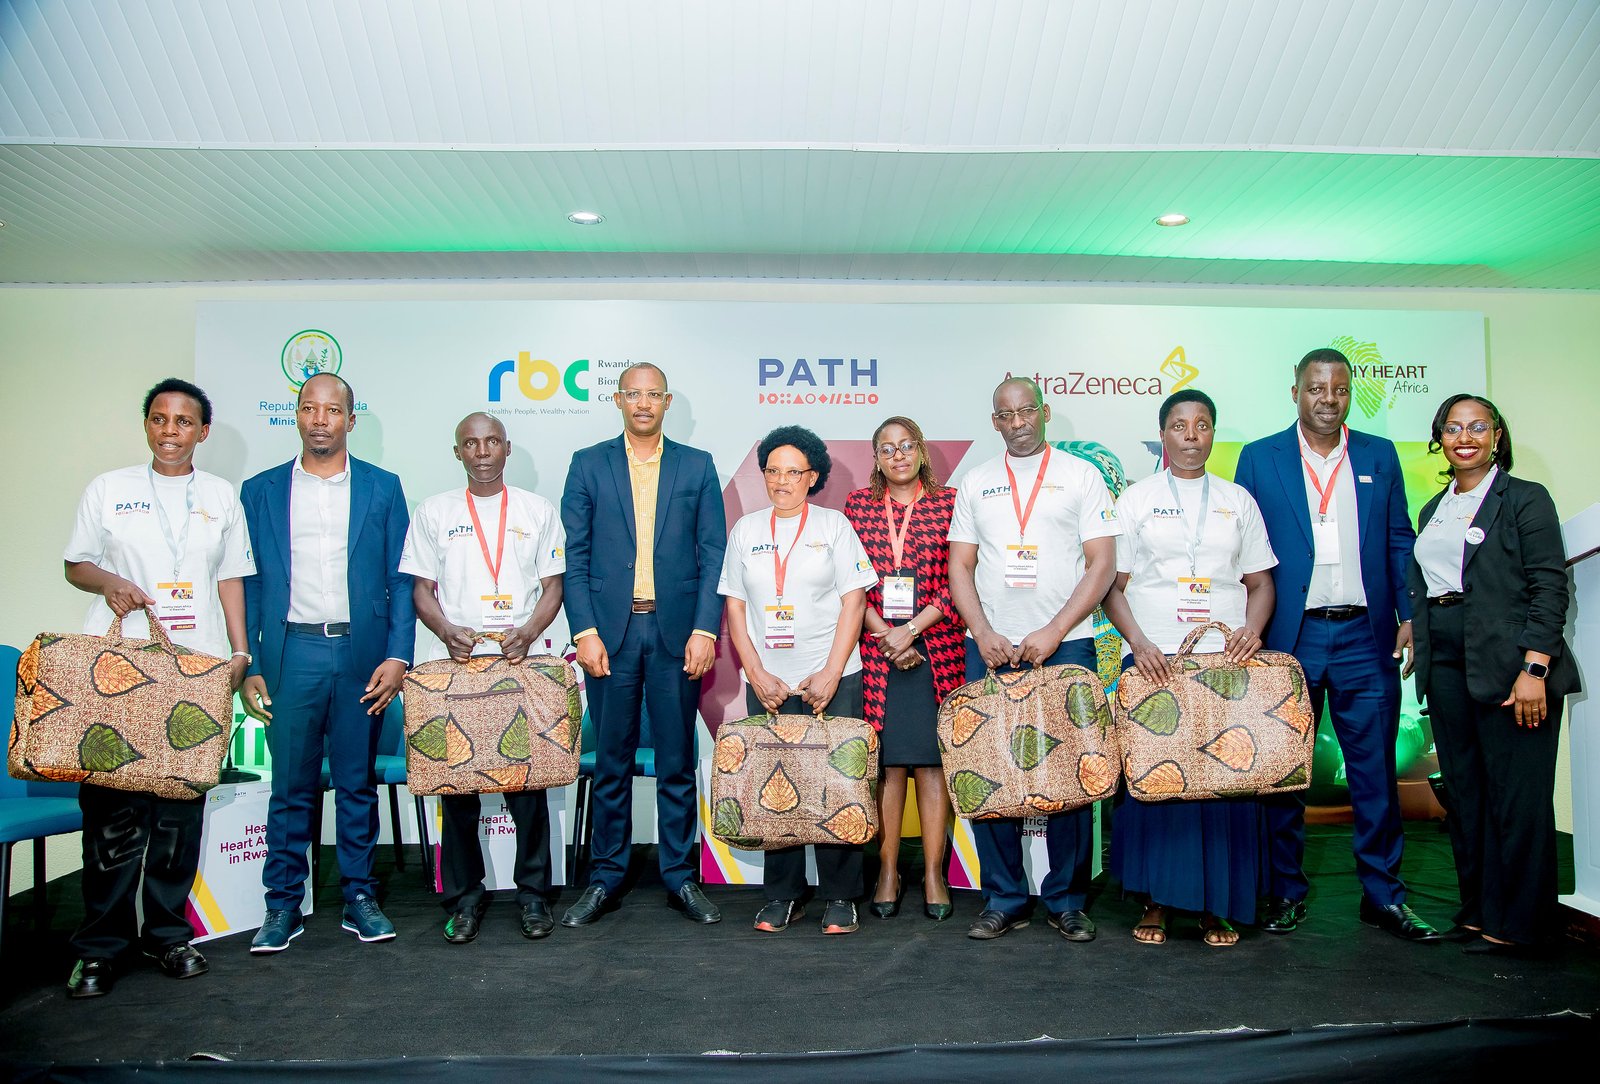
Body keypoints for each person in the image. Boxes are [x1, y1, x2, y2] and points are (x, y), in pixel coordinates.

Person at [1233, 347, 1440, 941]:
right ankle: (1284, 891)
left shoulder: (1378, 453)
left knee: (1374, 774)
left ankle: (1384, 896)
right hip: (1287, 638)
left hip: (1364, 636)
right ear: (1295, 391)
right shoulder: (1260, 457)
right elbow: (1240, 550)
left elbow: (1399, 539)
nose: (1329, 400)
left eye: (1340, 389)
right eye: (1316, 388)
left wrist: (1408, 613)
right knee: (1284, 773)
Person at [60, 379, 255, 998]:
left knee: (179, 811)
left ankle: (168, 936)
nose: (170, 431)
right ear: (147, 425)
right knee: (112, 810)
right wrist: (109, 583)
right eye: (160, 419)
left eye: (183, 421)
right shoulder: (109, 488)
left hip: (195, 668)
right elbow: (76, 563)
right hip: (119, 671)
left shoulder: (221, 496)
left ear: (203, 431)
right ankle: (100, 948)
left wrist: (240, 652)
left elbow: (231, 578)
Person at [239, 372, 415, 952]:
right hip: (291, 654)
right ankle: (282, 904)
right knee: (291, 786)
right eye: (309, 408)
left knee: (356, 783)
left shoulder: (383, 488)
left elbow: (400, 579)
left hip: (361, 655)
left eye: (332, 410)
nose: (320, 419)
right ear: (296, 414)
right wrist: (252, 661)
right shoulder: (260, 490)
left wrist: (398, 655)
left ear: (350, 419)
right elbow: (251, 581)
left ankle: (359, 897)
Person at [947, 377, 1119, 943]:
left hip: (1066, 645)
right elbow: (960, 566)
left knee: (1073, 772)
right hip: (991, 647)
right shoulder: (976, 482)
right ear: (994, 421)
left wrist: (1054, 630)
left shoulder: (1081, 475)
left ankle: (1067, 900)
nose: (1018, 423)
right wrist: (981, 631)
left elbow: (1101, 564)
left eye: (1027, 411)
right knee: (990, 772)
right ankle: (1004, 897)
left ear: (1045, 412)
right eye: (1006, 414)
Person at [1103, 389, 1277, 948]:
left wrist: (1252, 632)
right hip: (1154, 659)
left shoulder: (1237, 500)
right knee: (1156, 776)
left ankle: (1216, 905)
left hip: (1225, 661)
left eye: (1202, 425)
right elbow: (1113, 586)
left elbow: (1260, 583)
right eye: (1179, 425)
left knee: (1224, 777)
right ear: (1163, 434)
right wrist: (1137, 642)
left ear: (1213, 434)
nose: (1191, 435)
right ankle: (1155, 900)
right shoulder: (1135, 499)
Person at [1406, 394, 1578, 956]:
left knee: (1517, 798)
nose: (1465, 437)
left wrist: (1535, 667)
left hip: (1511, 667)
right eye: (1454, 428)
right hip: (1448, 664)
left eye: (1477, 427)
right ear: (1440, 438)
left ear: (1497, 436)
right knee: (1467, 795)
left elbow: (1549, 585)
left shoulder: (1525, 498)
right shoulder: (1434, 509)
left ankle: (1521, 923)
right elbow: (1433, 585)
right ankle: (1480, 911)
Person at [559, 363, 726, 927]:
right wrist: (584, 632)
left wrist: (705, 629)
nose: (644, 403)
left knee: (678, 762)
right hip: (611, 635)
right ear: (618, 400)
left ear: (667, 401)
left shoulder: (697, 465)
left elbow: (713, 553)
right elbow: (575, 556)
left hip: (677, 633)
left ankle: (680, 876)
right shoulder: (588, 464)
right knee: (612, 763)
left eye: (654, 394)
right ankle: (605, 877)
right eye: (634, 394)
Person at [401, 413, 567, 944]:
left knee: (527, 785)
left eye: (491, 441)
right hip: (457, 666)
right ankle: (464, 899)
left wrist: (529, 632)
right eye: (470, 444)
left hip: (519, 665)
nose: (482, 452)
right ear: (458, 453)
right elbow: (421, 589)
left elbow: (553, 585)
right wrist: (446, 630)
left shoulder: (537, 510)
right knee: (457, 788)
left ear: (507, 448)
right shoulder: (434, 511)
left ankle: (533, 895)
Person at [719, 425, 878, 934]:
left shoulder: (834, 526)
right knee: (774, 786)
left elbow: (854, 600)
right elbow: (735, 607)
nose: (781, 481)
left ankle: (841, 894)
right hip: (768, 683)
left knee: (837, 786)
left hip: (833, 678)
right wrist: (755, 672)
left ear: (812, 477)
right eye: (773, 471)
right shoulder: (746, 531)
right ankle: (784, 894)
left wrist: (831, 671)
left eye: (793, 472)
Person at [842, 416, 964, 921]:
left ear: (921, 452)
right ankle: (888, 870)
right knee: (888, 765)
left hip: (937, 645)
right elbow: (853, 581)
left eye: (906, 445)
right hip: (877, 650)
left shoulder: (950, 503)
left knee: (932, 763)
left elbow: (959, 579)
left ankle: (934, 873)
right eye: (887, 448)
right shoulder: (858, 506)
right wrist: (886, 635)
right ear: (875, 457)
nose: (898, 455)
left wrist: (910, 630)